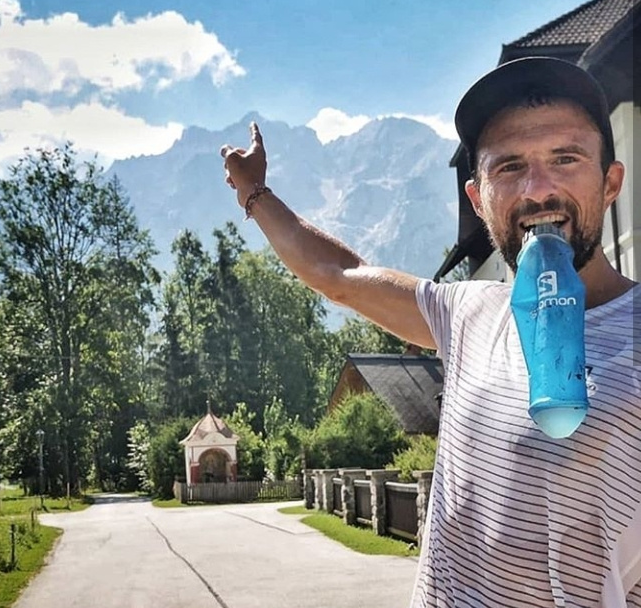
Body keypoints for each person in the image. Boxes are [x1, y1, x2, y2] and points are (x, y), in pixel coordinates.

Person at [220, 56, 640, 607]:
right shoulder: (465, 312)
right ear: (478, 199)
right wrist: (256, 194)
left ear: (610, 182)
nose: (539, 189)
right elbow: (338, 277)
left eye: (566, 158)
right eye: (509, 167)